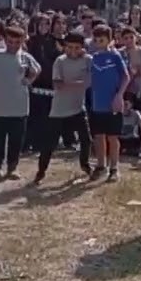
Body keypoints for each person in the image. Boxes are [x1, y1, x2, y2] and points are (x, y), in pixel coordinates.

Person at [0, 25, 41, 180]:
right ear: (5, 40)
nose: (13, 45)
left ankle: (12, 168)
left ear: (22, 41)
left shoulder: (25, 57)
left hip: (19, 107)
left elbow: (37, 69)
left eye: (17, 42)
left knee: (16, 141)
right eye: (10, 42)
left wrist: (29, 80)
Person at [36, 32, 93, 183]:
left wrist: (73, 84)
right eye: (69, 47)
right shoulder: (60, 61)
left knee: (86, 140)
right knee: (49, 144)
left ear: (82, 48)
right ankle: (41, 171)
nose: (73, 51)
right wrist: (79, 83)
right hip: (59, 110)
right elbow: (58, 85)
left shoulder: (88, 60)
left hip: (78, 108)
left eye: (77, 48)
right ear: (64, 47)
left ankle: (85, 165)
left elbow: (89, 82)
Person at [88, 25, 130, 182]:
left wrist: (119, 96)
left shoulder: (115, 56)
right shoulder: (93, 58)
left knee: (113, 137)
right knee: (99, 136)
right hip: (97, 103)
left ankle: (114, 168)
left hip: (113, 103)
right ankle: (101, 166)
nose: (99, 43)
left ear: (109, 39)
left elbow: (126, 77)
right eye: (96, 40)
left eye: (102, 40)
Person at [26, 13, 64, 155]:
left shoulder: (53, 41)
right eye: (41, 24)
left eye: (47, 24)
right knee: (35, 114)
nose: (44, 27)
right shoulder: (30, 42)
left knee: (49, 115)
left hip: (50, 83)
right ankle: (32, 143)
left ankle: (47, 143)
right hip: (34, 83)